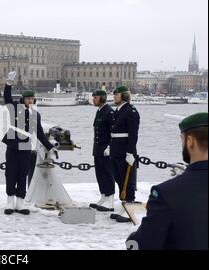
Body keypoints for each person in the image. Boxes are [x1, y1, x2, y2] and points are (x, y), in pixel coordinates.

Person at [127, 112, 208, 250]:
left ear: (190, 141)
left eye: (182, 139)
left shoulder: (166, 193)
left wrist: (131, 241)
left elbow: (145, 244)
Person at [2, 71, 55, 215]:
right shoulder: (15, 109)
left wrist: (50, 146)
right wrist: (8, 83)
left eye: (32, 99)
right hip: (13, 145)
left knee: (22, 174)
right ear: (23, 99)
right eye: (28, 99)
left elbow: (38, 132)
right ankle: (10, 202)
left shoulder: (36, 114)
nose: (30, 101)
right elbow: (7, 98)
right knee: (11, 173)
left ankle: (20, 203)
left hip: (25, 146)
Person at [106, 86, 140, 223]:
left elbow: (133, 134)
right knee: (119, 178)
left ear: (124, 96)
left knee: (128, 179)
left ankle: (130, 205)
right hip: (116, 149)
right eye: (114, 94)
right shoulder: (118, 110)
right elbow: (113, 131)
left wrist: (130, 152)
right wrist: (110, 145)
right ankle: (125, 203)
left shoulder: (131, 111)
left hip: (126, 150)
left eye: (117, 94)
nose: (114, 97)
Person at [89, 89, 115, 212]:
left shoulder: (109, 112)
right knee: (99, 173)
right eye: (93, 97)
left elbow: (113, 132)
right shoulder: (100, 111)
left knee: (107, 173)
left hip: (106, 148)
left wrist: (110, 147)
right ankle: (104, 195)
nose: (93, 100)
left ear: (102, 98)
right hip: (98, 148)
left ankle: (110, 199)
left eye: (96, 97)